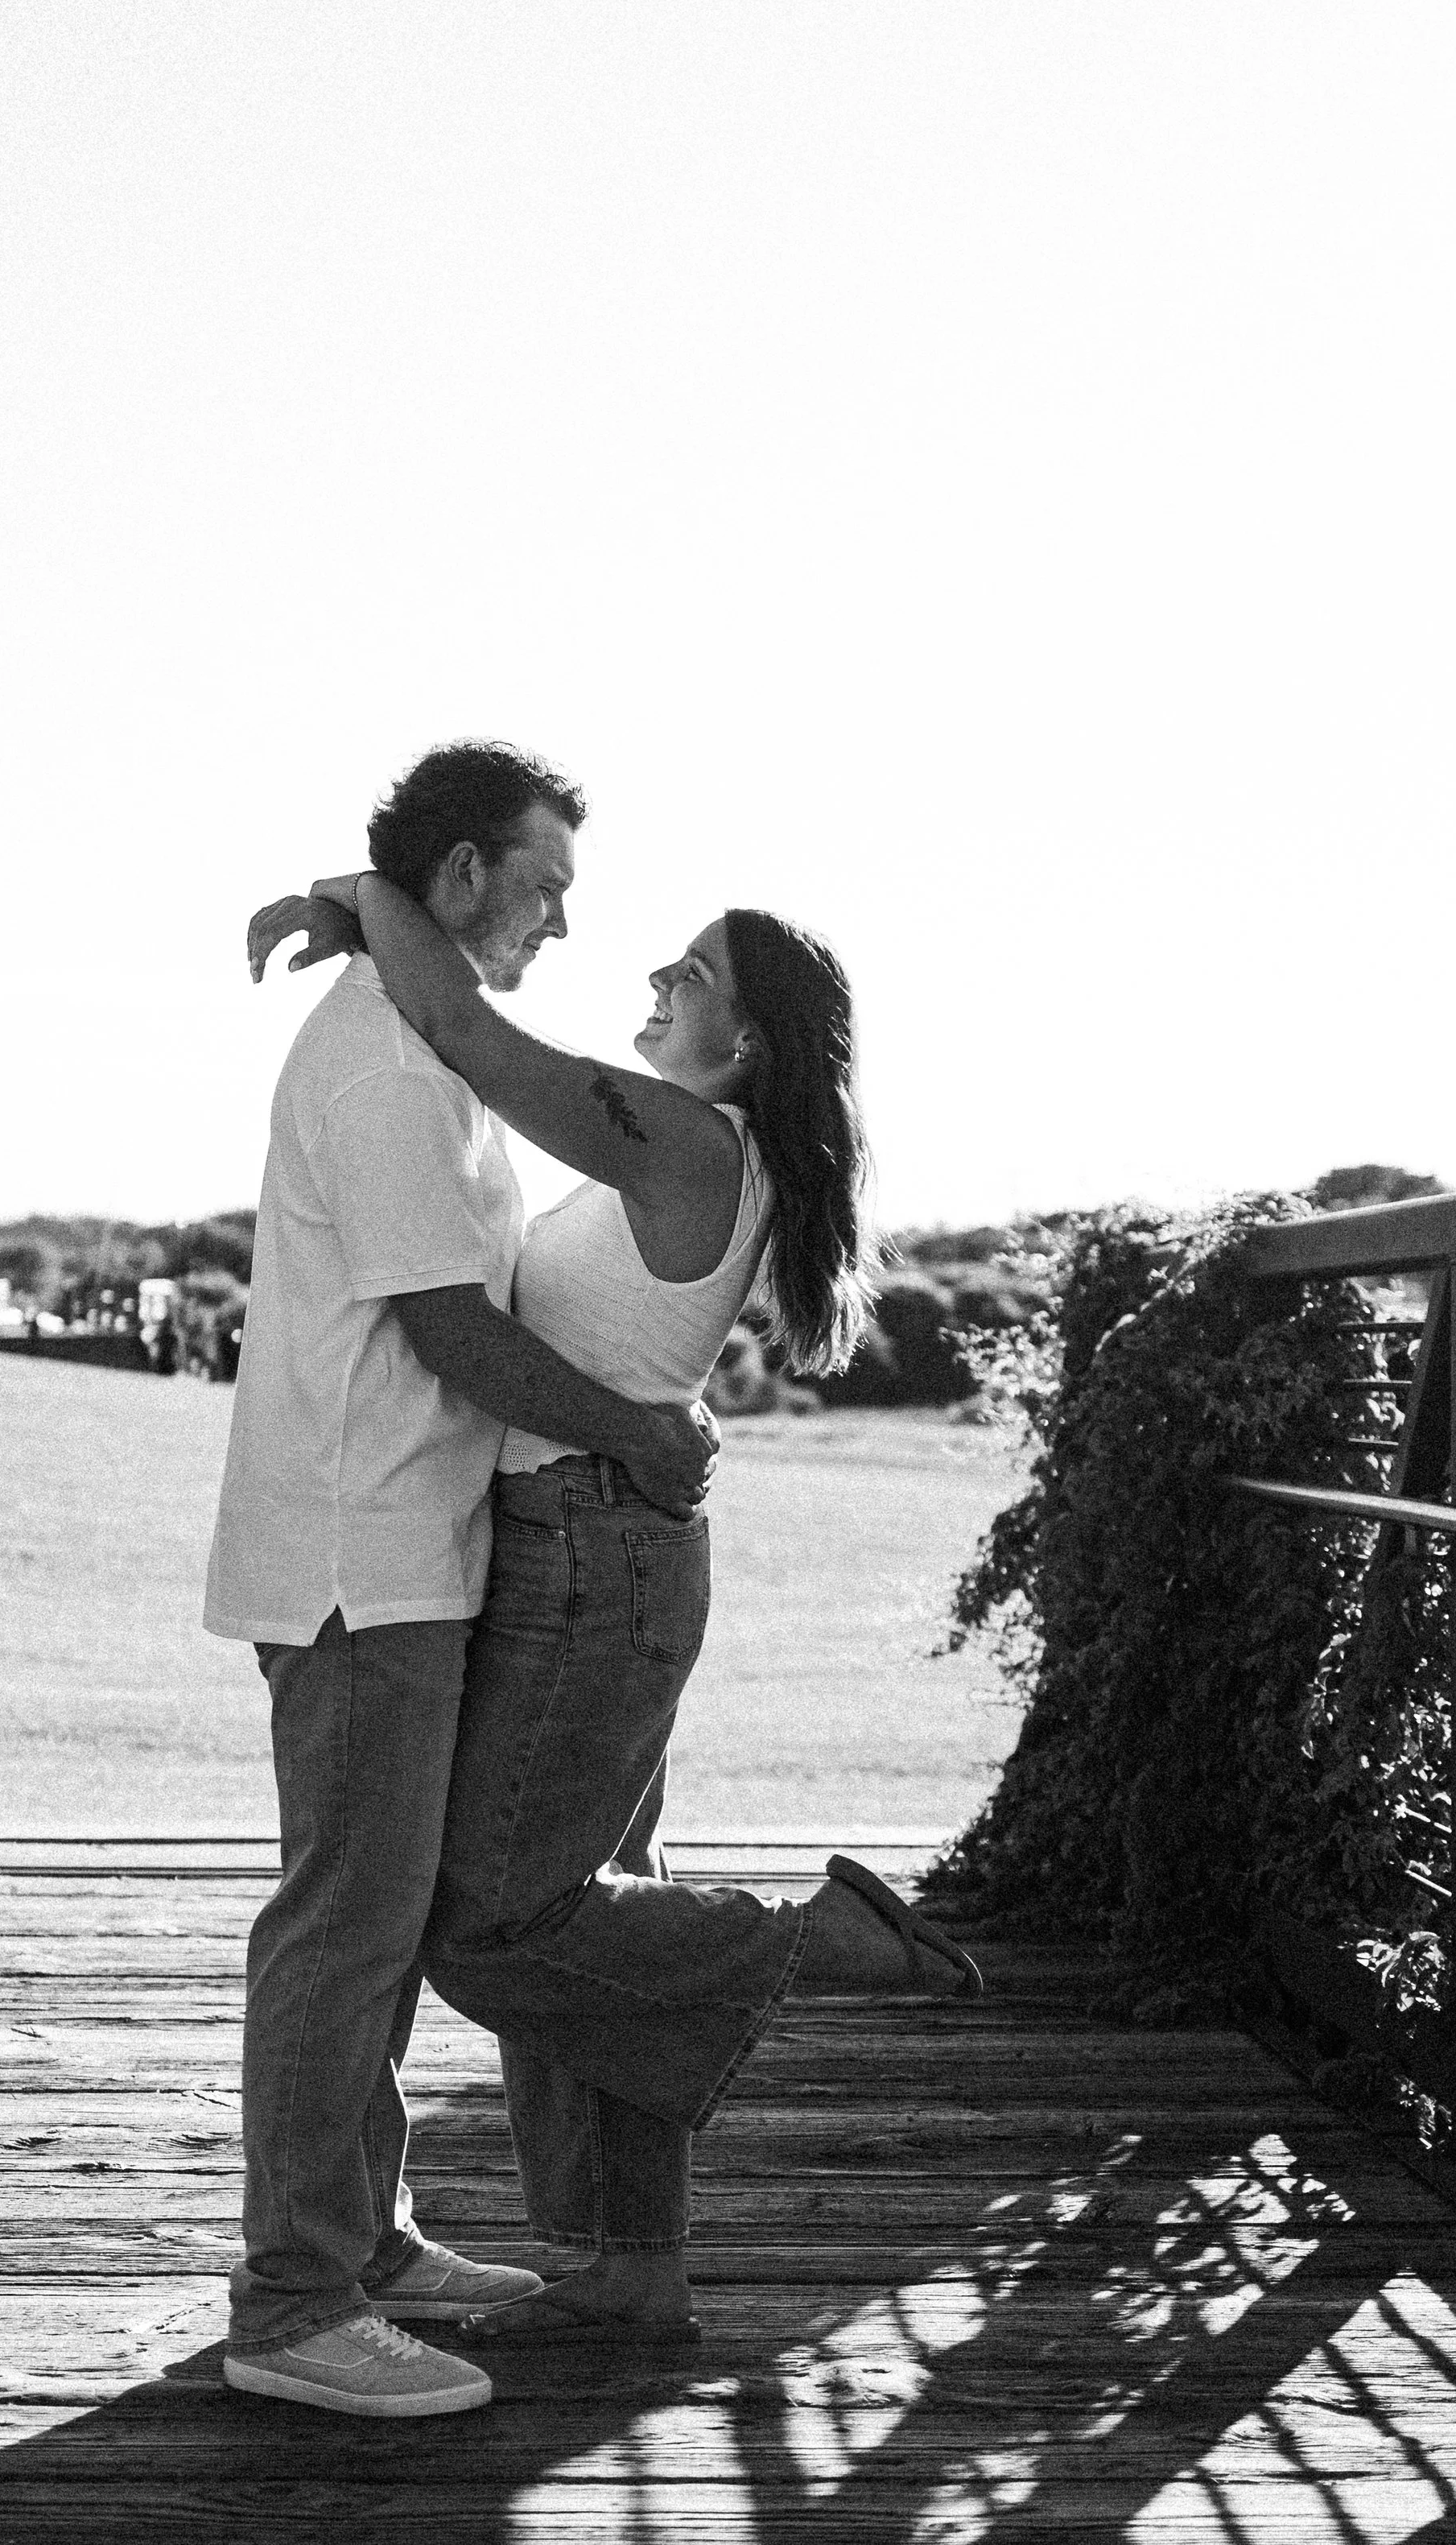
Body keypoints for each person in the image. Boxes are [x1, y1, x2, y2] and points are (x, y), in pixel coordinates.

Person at [258, 855, 981, 2349]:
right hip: (593, 1544)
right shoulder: (693, 1146)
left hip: (594, 1559)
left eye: (693, 975)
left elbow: (469, 1032)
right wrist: (640, 1416)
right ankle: (629, 2262)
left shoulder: (683, 1137)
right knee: (598, 1908)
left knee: (493, 1928)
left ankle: (817, 1939)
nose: (657, 982)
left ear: (747, 1042)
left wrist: (356, 890)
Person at [205, 742, 720, 2419]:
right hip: (360, 1550)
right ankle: (292, 2304)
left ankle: (365, 2242)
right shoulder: (375, 1063)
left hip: (405, 1543)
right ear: (456, 880)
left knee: (371, 1916)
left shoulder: (411, 1040)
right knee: (343, 1926)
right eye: (543, 886)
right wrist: (636, 1438)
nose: (561, 925)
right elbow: (450, 1328)